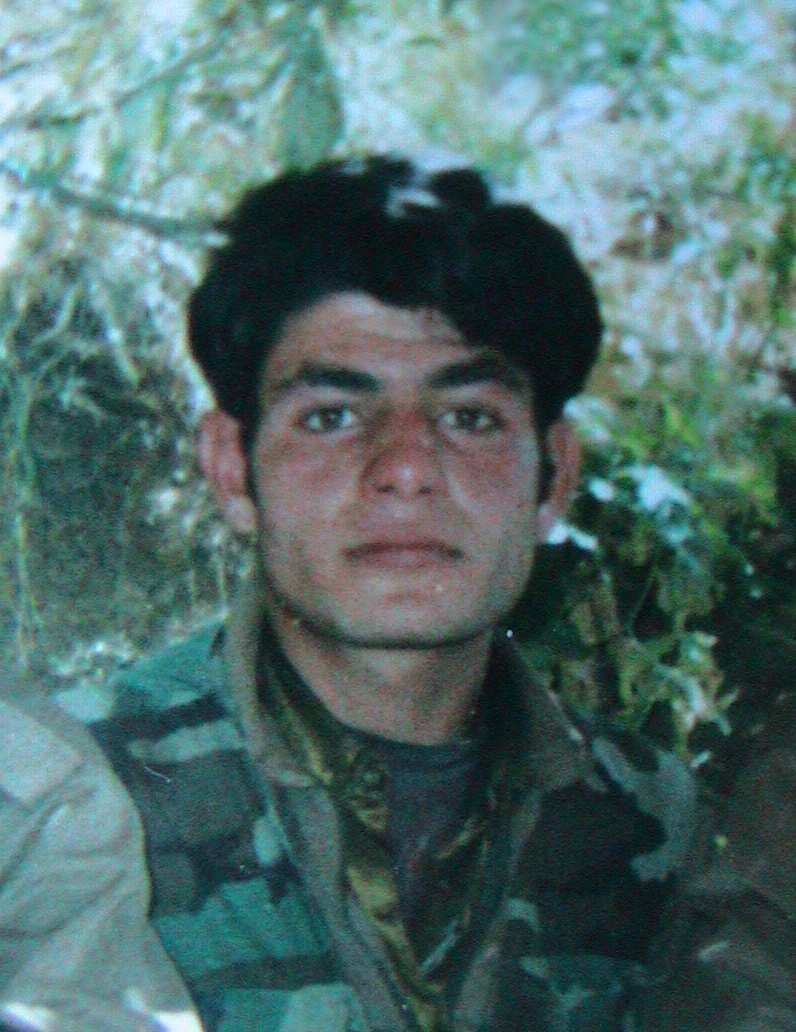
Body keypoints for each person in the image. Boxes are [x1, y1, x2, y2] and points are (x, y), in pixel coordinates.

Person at [1, 155, 701, 1032]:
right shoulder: (64, 805)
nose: (405, 468)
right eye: (331, 417)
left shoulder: (647, 818)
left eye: (470, 417)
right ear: (233, 469)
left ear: (553, 477)